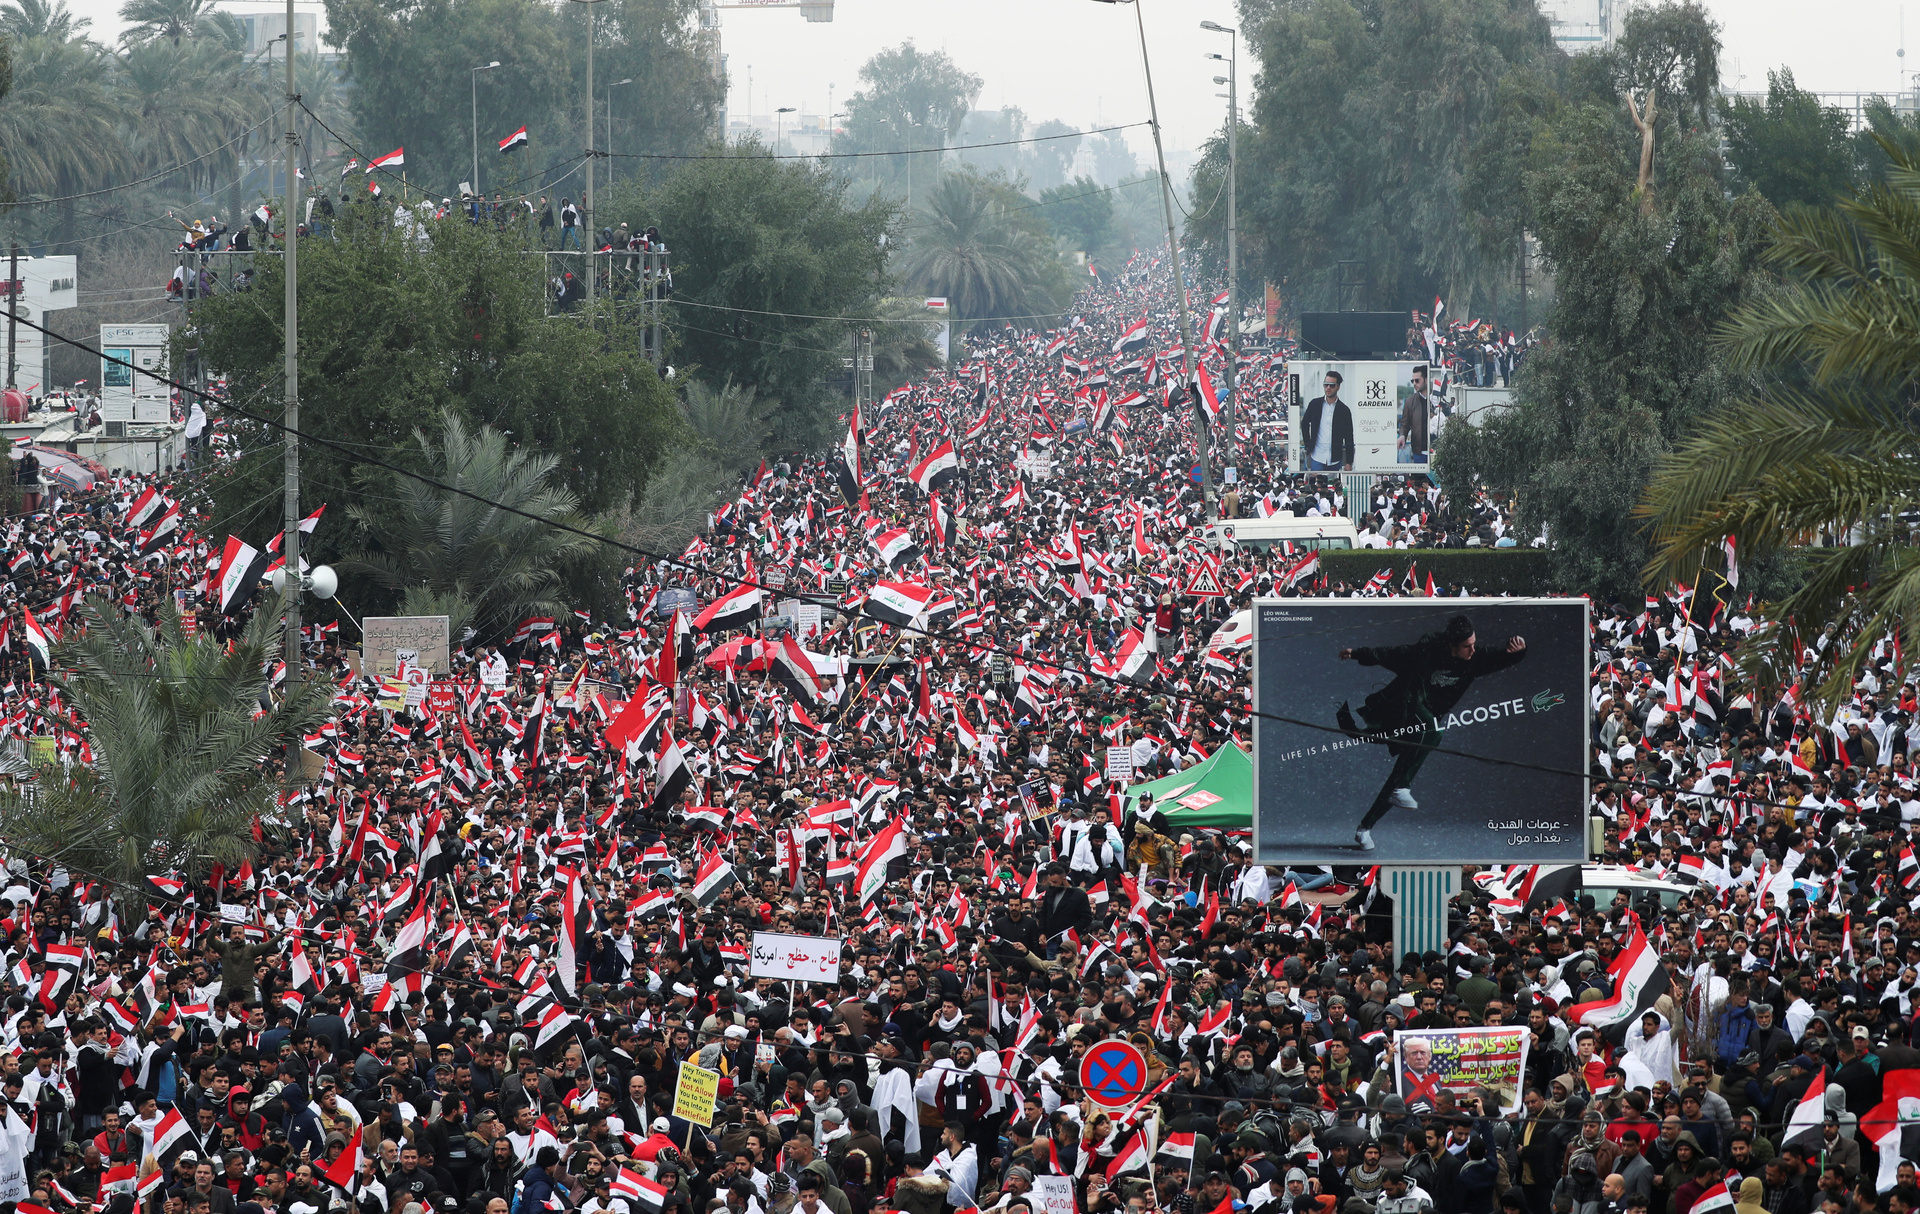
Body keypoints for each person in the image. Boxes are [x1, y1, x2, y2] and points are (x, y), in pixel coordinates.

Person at [1334, 613, 1529, 849]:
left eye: (1474, 644)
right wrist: (1356, 653)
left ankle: (1364, 828)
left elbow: (1501, 659)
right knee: (1434, 731)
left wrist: (1518, 652)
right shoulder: (1425, 652)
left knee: (1401, 776)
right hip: (1405, 708)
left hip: (1422, 726)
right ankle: (1399, 787)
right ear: (1451, 646)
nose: (1473, 650)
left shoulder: (1474, 660)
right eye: (1467, 647)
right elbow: (1389, 654)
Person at [1299, 370, 1354, 471]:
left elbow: (1349, 437)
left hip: (1336, 459)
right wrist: (1308, 446)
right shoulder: (1315, 404)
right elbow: (1305, 424)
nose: (1328, 388)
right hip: (1317, 457)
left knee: (1334, 485)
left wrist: (1349, 462)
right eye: (1326, 385)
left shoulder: (1344, 410)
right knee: (1317, 485)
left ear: (1338, 387)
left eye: (1332, 385)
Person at [1399, 365, 1431, 464]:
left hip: (1437, 451)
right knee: (1419, 479)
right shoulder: (1410, 402)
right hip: (1419, 452)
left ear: (1426, 380)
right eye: (1412, 381)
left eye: (1417, 380)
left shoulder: (1437, 398)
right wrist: (1402, 435)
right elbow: (1405, 424)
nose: (1414, 384)